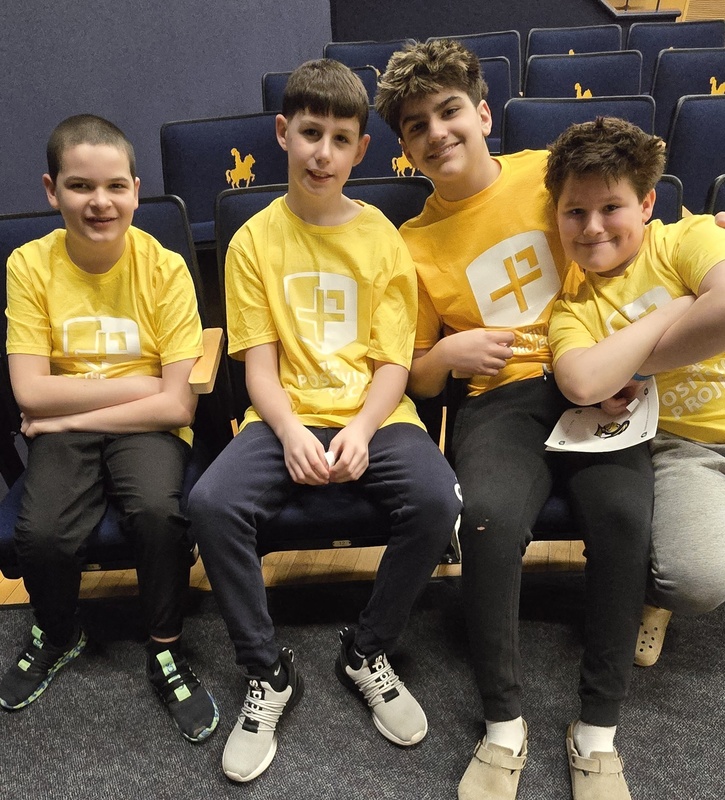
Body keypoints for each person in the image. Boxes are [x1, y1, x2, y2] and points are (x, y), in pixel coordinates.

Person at [376, 40, 655, 800]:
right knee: (491, 520)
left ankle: (595, 733)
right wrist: (452, 349)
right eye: (414, 125)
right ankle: (504, 725)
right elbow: (416, 371)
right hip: (493, 401)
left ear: (483, 112)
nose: (436, 132)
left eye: (449, 110)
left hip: (594, 380)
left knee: (625, 514)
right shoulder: (411, 243)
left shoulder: (546, 173)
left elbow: (639, 235)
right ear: (402, 148)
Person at [186, 59, 462, 783]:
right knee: (211, 505)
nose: (322, 153)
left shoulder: (381, 240)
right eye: (309, 133)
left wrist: (364, 429)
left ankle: (366, 649)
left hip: (377, 415)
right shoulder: (252, 241)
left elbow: (393, 366)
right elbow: (258, 368)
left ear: (360, 151)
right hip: (283, 416)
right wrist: (287, 431)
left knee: (439, 501)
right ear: (282, 133)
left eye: (341, 139)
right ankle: (266, 670)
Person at [0, 114, 219, 744]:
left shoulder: (165, 267)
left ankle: (165, 645)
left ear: (135, 188)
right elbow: (27, 390)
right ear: (51, 189)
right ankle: (58, 630)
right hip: (86, 424)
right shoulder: (28, 265)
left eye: (116, 186)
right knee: (38, 534)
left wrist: (64, 411)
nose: (100, 202)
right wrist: (143, 383)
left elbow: (178, 409)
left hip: (141, 429)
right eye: (80, 186)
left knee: (158, 513)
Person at [546, 116, 725, 676]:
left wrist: (627, 362)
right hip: (684, 445)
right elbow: (580, 382)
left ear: (647, 203)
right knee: (693, 582)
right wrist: (680, 307)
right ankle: (658, 597)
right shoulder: (573, 307)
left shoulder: (687, 238)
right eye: (576, 211)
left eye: (611, 208)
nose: (593, 227)